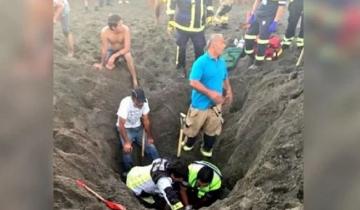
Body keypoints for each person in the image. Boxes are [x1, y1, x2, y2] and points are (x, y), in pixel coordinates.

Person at [182, 34, 233, 158]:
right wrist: (210, 93)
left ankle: (206, 151)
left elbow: (225, 77)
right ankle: (188, 149)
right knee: (192, 131)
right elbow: (193, 82)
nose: (224, 45)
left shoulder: (221, 62)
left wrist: (229, 90)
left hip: (215, 106)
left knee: (212, 131)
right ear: (214, 44)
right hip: (200, 105)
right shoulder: (201, 62)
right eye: (222, 42)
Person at [116, 88, 160, 176]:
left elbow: (146, 120)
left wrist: (150, 136)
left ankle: (159, 167)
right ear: (133, 99)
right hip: (126, 128)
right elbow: (121, 125)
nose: (141, 104)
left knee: (151, 147)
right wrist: (127, 143)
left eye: (142, 101)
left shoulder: (144, 102)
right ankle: (129, 173)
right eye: (139, 102)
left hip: (138, 128)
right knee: (127, 150)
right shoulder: (125, 103)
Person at [166, 0, 214, 77]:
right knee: (181, 47)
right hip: (182, 25)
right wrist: (170, 19)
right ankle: (181, 67)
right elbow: (172, 2)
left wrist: (210, 14)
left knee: (199, 48)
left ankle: (200, 69)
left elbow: (209, 2)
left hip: (198, 25)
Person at [93, 14, 139, 87]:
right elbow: (104, 48)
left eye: (122, 23)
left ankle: (134, 79)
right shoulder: (105, 32)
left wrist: (114, 56)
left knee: (128, 56)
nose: (122, 26)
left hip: (123, 49)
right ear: (113, 27)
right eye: (120, 25)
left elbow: (127, 48)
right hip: (112, 49)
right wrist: (102, 63)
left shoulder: (125, 29)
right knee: (108, 65)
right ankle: (114, 64)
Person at [243, 0, 286, 70]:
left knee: (262, 41)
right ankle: (252, 57)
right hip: (258, 15)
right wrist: (253, 13)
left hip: (268, 18)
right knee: (248, 37)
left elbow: (281, 7)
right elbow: (257, 1)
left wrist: (275, 21)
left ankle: (258, 63)